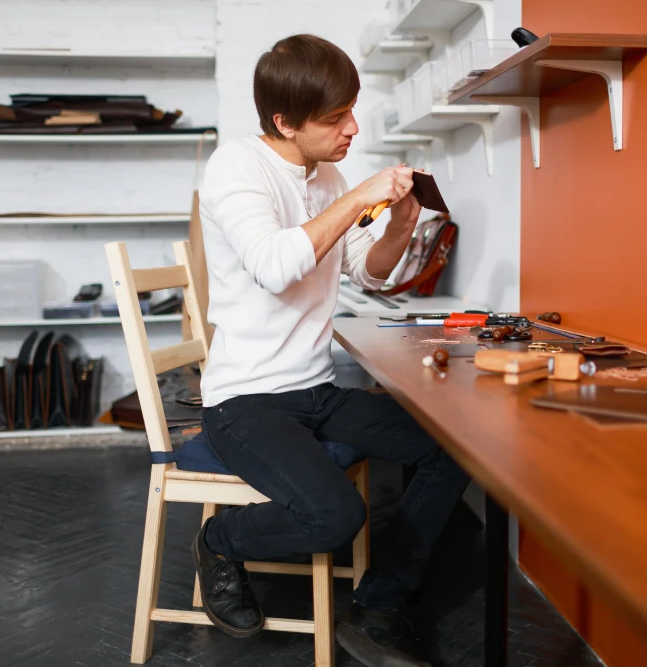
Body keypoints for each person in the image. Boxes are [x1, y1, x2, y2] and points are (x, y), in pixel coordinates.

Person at [194, 33, 470, 667]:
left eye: (352, 109)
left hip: (313, 387)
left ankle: (379, 605)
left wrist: (398, 224)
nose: (352, 127)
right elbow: (273, 265)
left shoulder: (329, 175)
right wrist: (358, 197)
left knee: (451, 446)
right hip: (247, 399)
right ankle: (218, 540)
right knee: (336, 516)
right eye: (335, 117)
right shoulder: (237, 168)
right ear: (285, 121)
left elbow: (366, 274)